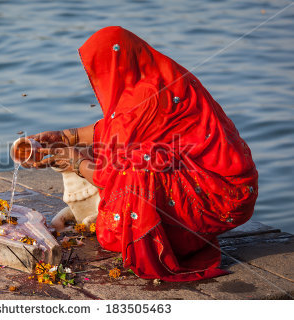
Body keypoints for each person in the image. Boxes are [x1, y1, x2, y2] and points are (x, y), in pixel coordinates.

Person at [28, 26, 258, 281]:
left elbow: (113, 173)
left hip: (221, 195)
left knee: (137, 168)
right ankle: (180, 232)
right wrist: (65, 136)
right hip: (219, 182)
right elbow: (119, 126)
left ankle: (178, 240)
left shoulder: (149, 95)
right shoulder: (156, 77)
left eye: (100, 70)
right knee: (137, 157)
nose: (99, 79)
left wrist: (75, 161)